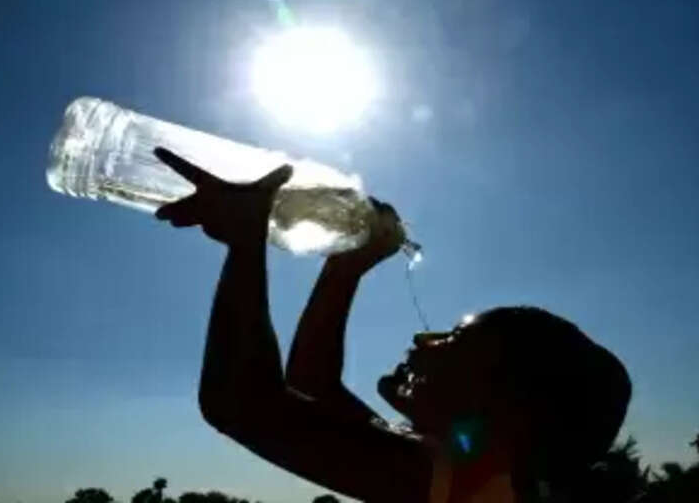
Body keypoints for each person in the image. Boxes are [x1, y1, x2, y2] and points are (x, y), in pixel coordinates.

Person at [153, 147, 631, 503]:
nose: (425, 338)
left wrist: (246, 237)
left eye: (456, 341)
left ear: (505, 405)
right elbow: (310, 385)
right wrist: (345, 268)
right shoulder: (458, 468)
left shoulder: (468, 487)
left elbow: (239, 403)